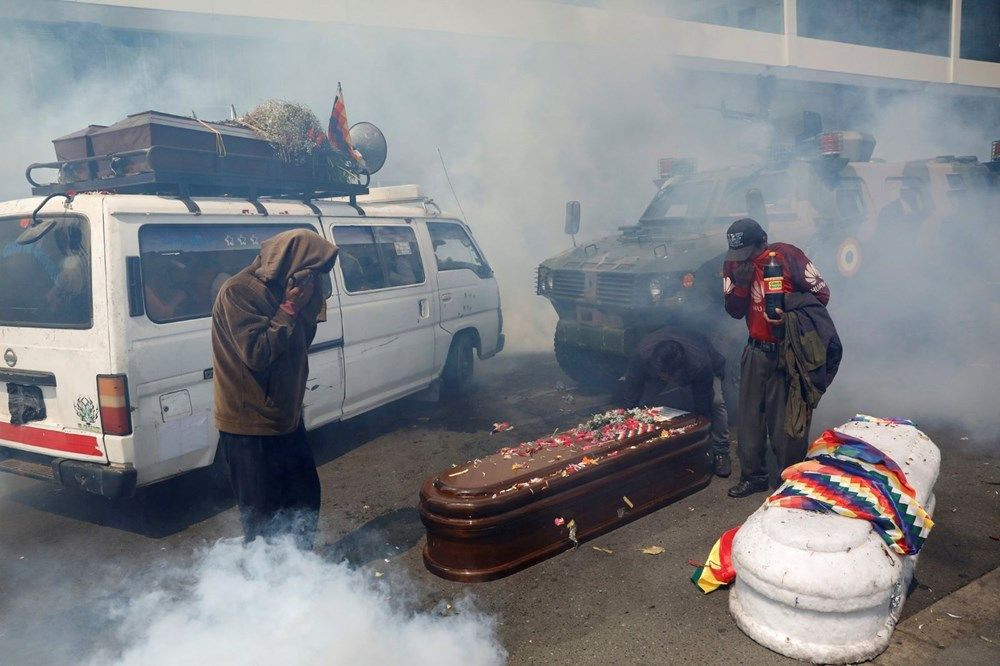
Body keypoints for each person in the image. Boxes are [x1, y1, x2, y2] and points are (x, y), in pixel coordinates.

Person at [211, 228, 338, 548]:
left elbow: (298, 345)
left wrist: (307, 304)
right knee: (263, 519)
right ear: (289, 265)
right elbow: (257, 354)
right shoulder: (238, 292)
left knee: (305, 503)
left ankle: (301, 573)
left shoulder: (292, 290)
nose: (314, 283)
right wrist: (289, 309)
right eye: (310, 274)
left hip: (286, 418)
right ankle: (265, 589)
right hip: (250, 428)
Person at [722, 217, 834, 498]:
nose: (744, 259)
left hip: (787, 352)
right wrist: (741, 285)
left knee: (787, 425)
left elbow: (821, 294)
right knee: (749, 422)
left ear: (762, 240)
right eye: (739, 254)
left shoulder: (788, 255)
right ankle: (753, 476)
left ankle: (790, 481)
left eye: (750, 251)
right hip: (755, 350)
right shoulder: (734, 265)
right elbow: (734, 311)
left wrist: (789, 308)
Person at [619, 326, 733, 477]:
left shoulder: (698, 364)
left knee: (716, 402)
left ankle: (721, 451)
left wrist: (701, 435)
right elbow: (632, 387)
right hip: (661, 368)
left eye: (668, 376)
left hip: (708, 368)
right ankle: (652, 448)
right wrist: (629, 419)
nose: (666, 378)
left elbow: (703, 404)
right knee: (645, 402)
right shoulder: (642, 355)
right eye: (662, 374)